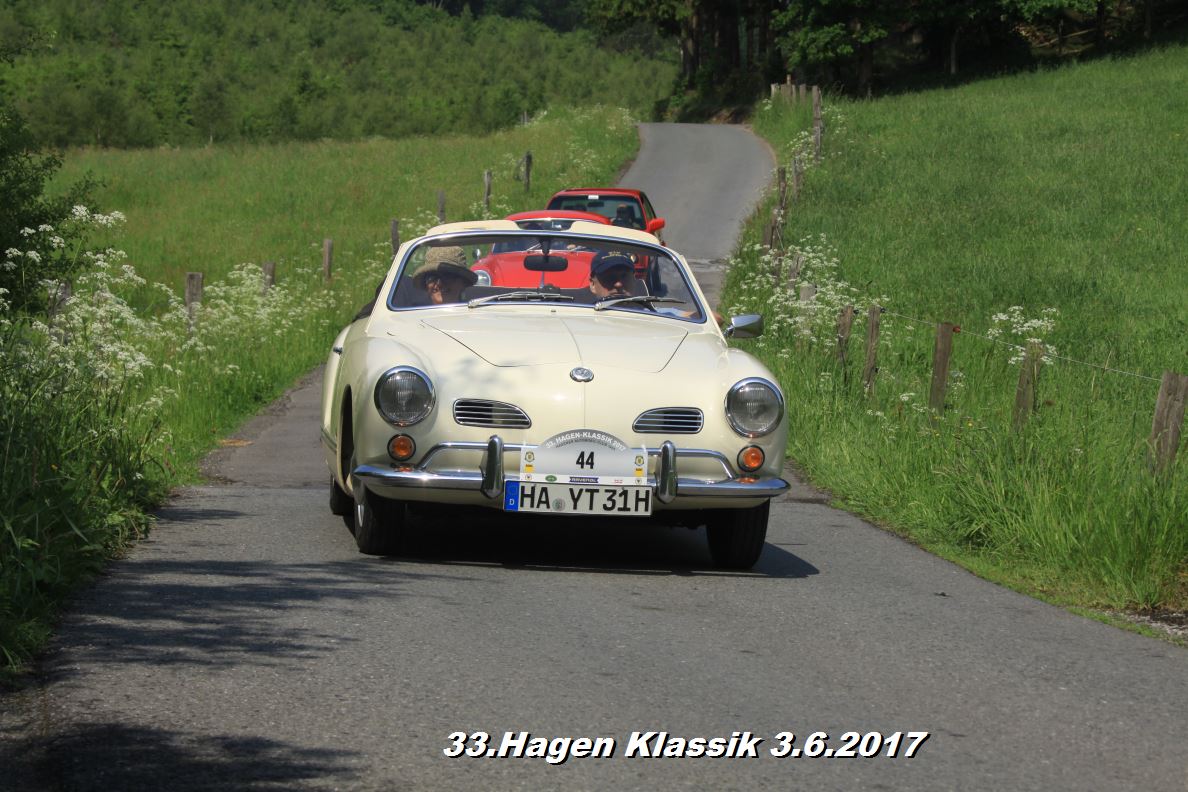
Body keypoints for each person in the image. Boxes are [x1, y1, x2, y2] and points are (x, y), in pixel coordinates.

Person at [413, 246, 477, 304]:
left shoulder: (476, 311)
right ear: (426, 286)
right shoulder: (413, 312)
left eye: (447, 275)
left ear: (463, 282)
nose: (439, 283)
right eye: (432, 277)